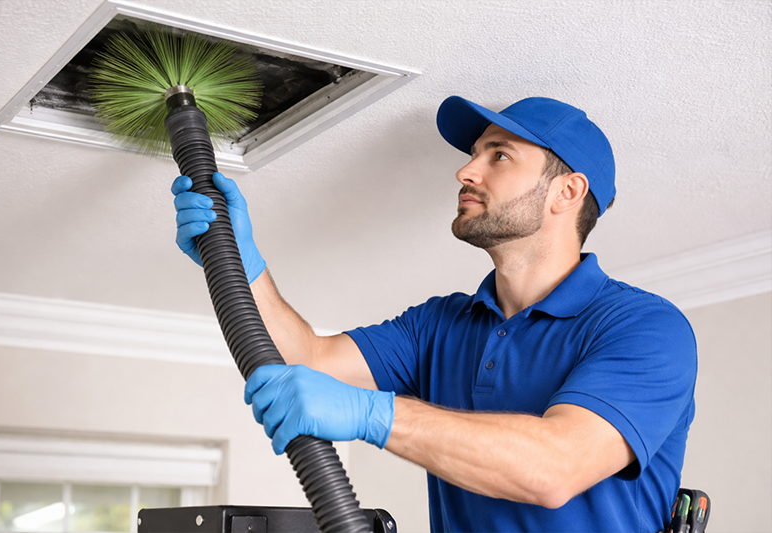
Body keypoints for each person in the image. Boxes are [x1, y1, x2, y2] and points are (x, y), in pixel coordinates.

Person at [172, 96, 697, 532]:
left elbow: (553, 467)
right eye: (475, 154)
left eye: (499, 155)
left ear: (567, 192)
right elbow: (307, 361)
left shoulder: (644, 327)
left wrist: (371, 414)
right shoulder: (441, 324)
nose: (465, 171)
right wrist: (238, 261)